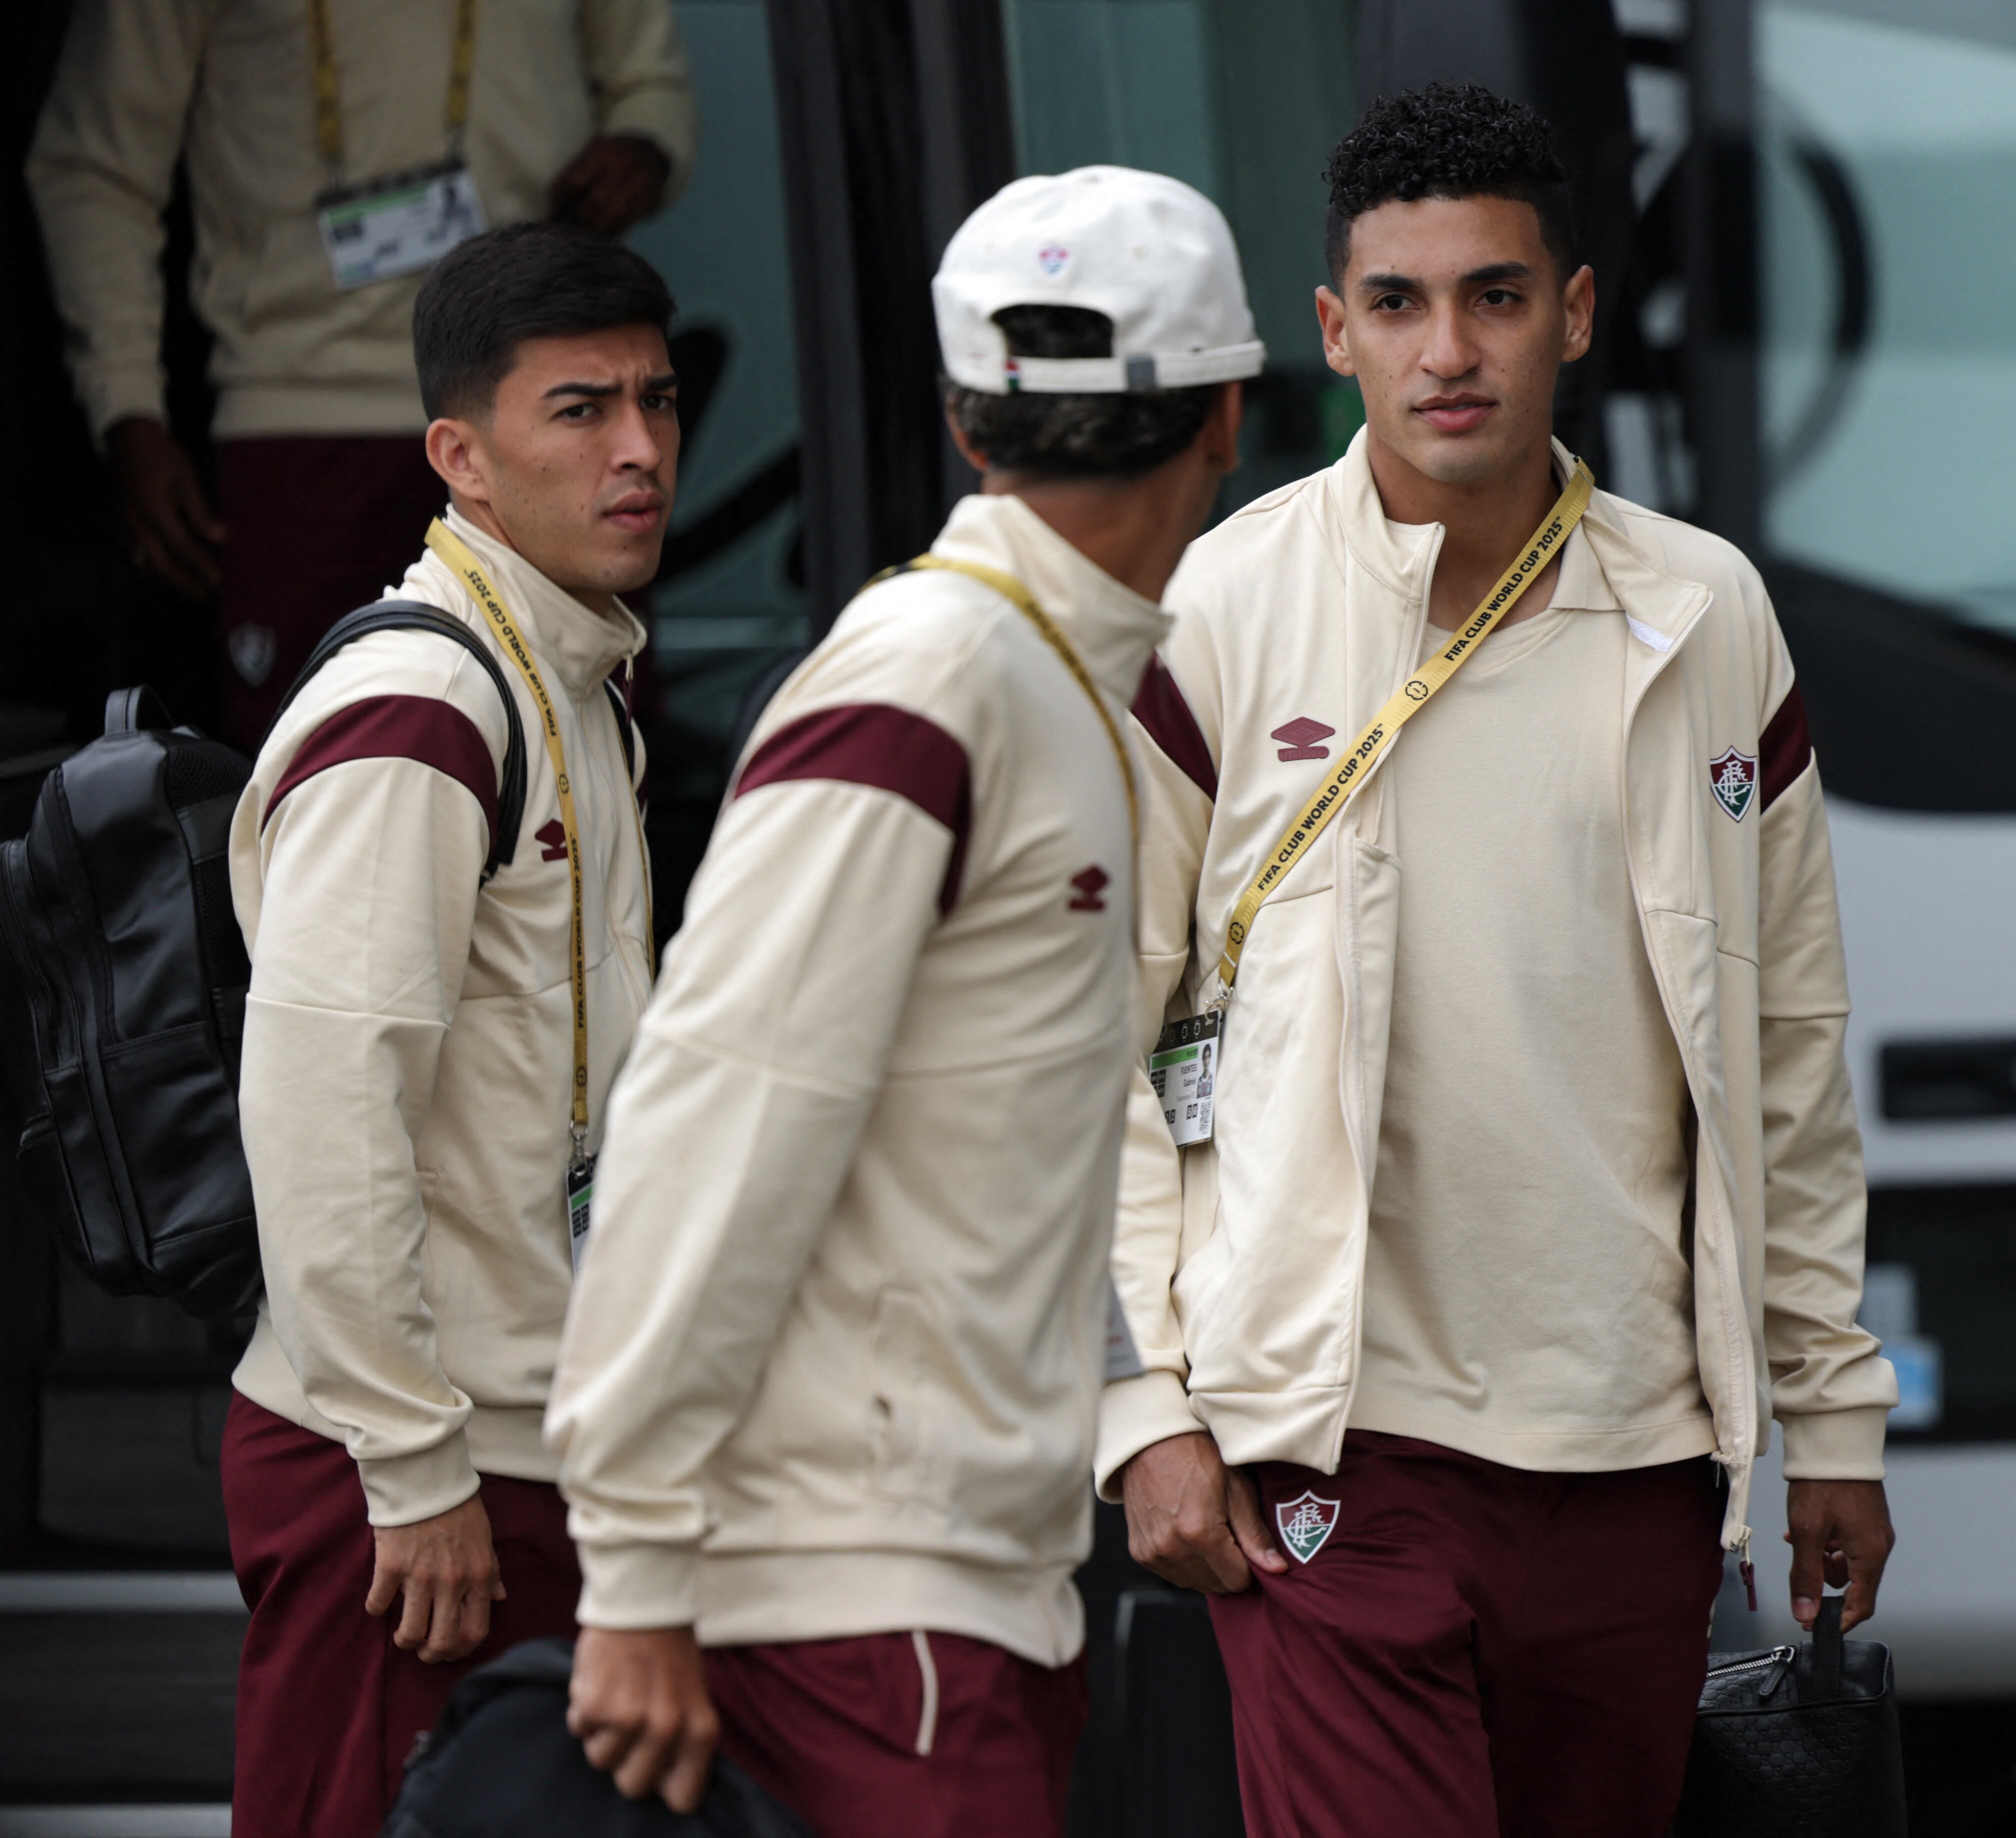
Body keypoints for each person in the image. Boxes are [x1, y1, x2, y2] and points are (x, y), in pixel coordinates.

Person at [1102, 84, 1900, 1838]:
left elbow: (1784, 1043)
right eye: (1395, 302)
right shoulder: (1214, 612)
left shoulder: (1703, 611)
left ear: (1577, 311)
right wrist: (1131, 1400)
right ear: (1331, 330)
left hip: (1633, 1449)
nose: (1444, 348)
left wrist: (1829, 1410)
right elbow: (1087, 1043)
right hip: (1328, 1445)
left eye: (1494, 294)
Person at [543, 166, 1261, 1832]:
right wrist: (636, 1561)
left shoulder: (1044, 676)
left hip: (951, 1582)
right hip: (854, 1592)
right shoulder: (934, 675)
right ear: (1227, 414)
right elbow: (713, 1109)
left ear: (959, 419)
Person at [221, 221, 672, 1838]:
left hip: (526, 1447)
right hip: (408, 1469)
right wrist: (412, 1468)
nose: (638, 450)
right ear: (458, 457)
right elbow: (326, 1111)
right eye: (579, 410)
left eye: (656, 400)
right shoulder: (425, 707)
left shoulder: (578, 676)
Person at [25, 0, 693, 748]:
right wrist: (127, 410)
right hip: (300, 415)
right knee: (321, 771)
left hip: (545, 404)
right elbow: (96, 164)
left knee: (576, 765)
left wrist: (644, 146)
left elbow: (651, 84)